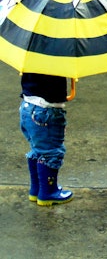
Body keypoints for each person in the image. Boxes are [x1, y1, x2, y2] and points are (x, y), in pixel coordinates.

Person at [20, 73, 73, 206]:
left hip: (27, 107)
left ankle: (37, 189)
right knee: (51, 151)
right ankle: (48, 192)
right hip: (45, 111)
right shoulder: (55, 57)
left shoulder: (32, 55)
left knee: (38, 149)